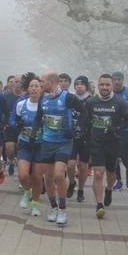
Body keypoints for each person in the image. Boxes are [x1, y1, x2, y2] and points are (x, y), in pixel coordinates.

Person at [37, 70, 83, 226]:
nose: (40, 84)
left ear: (51, 82)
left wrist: (76, 129)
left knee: (58, 175)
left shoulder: (68, 97)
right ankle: (53, 207)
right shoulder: (42, 98)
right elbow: (38, 117)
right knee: (48, 178)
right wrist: (36, 130)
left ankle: (63, 210)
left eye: (42, 82)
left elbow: (84, 112)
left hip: (63, 142)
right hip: (46, 142)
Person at [84, 74, 128, 218]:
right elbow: (86, 120)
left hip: (113, 143)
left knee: (111, 173)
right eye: (102, 85)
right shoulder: (91, 102)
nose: (104, 87)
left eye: (107, 85)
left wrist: (117, 129)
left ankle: (109, 189)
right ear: (98, 86)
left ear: (112, 86)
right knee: (98, 173)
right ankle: (99, 204)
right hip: (97, 143)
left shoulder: (120, 102)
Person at [13, 73, 43, 216]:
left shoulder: (46, 105)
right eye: (31, 86)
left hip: (40, 145)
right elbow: (14, 121)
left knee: (37, 177)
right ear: (28, 89)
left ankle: (36, 204)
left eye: (37, 86)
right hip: (25, 144)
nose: (34, 89)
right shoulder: (21, 104)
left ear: (41, 89)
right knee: (23, 175)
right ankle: (27, 192)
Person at [111, 71, 128, 189]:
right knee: (115, 155)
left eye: (119, 79)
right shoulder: (109, 93)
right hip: (114, 129)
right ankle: (118, 180)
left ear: (122, 81)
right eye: (115, 79)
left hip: (127, 129)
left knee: (123, 154)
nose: (117, 82)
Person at [67, 75, 92, 202]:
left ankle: (81, 189)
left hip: (86, 137)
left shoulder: (91, 100)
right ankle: (71, 183)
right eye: (76, 84)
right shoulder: (70, 98)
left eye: (81, 84)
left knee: (83, 166)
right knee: (70, 165)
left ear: (86, 86)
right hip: (72, 136)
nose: (79, 86)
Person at [3, 75, 20, 177]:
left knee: (19, 149)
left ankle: (21, 175)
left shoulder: (26, 96)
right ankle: (11, 162)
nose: (16, 83)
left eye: (18, 81)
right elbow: (2, 112)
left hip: (21, 127)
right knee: (9, 150)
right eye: (13, 82)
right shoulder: (6, 96)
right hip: (9, 127)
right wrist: (3, 123)